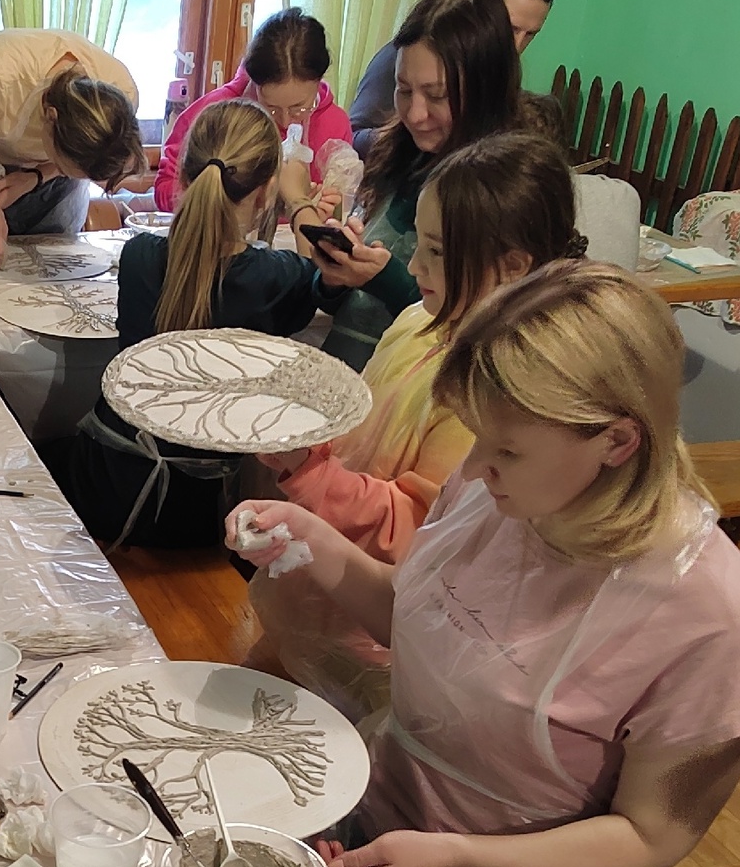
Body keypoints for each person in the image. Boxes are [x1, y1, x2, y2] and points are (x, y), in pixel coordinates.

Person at [228, 262, 740, 867]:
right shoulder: (499, 488)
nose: (476, 465)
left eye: (507, 450)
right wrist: (314, 541)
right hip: (374, 823)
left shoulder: (715, 623)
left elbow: (652, 837)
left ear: (617, 440)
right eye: (477, 435)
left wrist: (452, 855)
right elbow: (414, 616)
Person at [247, 133, 585, 715]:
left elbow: (418, 531)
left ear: (513, 266)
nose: (412, 266)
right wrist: (303, 434)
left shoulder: (496, 394)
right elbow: (364, 430)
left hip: (376, 639)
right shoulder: (419, 319)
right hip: (319, 591)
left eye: (436, 252)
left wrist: (311, 472)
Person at [52, 99, 398, 549]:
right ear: (265, 193)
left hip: (103, 478)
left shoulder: (138, 257)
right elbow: (322, 283)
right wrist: (301, 206)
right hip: (190, 510)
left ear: (183, 177)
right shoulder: (276, 277)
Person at [321, 0, 522, 370]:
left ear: (485, 90)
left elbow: (480, 332)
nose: (414, 114)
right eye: (403, 89)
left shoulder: (504, 189)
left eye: (437, 95)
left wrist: (385, 279)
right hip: (344, 372)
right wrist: (333, 274)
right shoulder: (397, 154)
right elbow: (344, 306)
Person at [0, 28, 144, 247]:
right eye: (62, 166)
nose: (64, 170)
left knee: (54, 266)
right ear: (50, 117)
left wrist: (38, 176)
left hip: (54, 186)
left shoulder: (121, 97)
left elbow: (72, 168)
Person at [153, 9, 354, 216]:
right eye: (271, 108)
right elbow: (164, 190)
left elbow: (340, 205)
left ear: (319, 81)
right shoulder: (214, 114)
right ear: (253, 83)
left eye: (299, 108)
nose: (285, 121)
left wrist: (324, 210)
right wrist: (235, 199)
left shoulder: (335, 123)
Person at [349, 0, 554, 150]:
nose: (516, 46)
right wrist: (401, 137)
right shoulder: (406, 55)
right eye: (511, 28)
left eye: (530, 34)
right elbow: (352, 135)